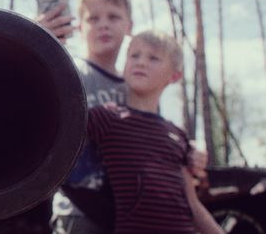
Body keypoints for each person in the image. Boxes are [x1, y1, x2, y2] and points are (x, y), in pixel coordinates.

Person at [36, 0, 209, 233]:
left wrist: (188, 149)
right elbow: (32, 104)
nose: (103, 24)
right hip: (78, 210)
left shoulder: (138, 86)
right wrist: (38, 42)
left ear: (129, 26)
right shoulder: (68, 72)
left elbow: (154, 139)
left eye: (113, 17)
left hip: (126, 214)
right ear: (80, 27)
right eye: (93, 18)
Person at [87, 30, 224, 233]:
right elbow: (60, 125)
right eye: (134, 55)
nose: (141, 62)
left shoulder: (178, 135)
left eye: (153, 58)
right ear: (124, 67)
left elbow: (193, 205)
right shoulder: (108, 117)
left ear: (174, 76)